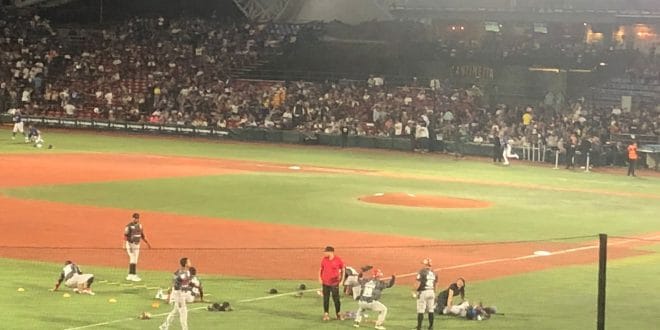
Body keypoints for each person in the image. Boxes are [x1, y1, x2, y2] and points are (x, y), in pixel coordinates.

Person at [160, 257, 192, 330]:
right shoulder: (181, 274)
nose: (190, 262)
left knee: (175, 311)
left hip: (182, 293)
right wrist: (178, 293)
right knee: (183, 313)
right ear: (186, 264)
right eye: (189, 261)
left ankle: (164, 326)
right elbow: (177, 285)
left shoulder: (186, 272)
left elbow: (178, 281)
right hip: (179, 294)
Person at [319, 246, 345, 321]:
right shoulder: (324, 259)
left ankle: (338, 313)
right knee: (325, 299)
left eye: (325, 252)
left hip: (334, 283)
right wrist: (320, 278)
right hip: (325, 283)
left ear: (330, 252)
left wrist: (342, 280)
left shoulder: (337, 260)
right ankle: (326, 314)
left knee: (336, 299)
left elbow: (343, 269)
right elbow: (321, 269)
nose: (324, 253)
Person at [124, 213, 151, 281]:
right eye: (135, 218)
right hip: (130, 244)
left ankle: (131, 275)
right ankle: (133, 275)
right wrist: (125, 245)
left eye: (137, 218)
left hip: (137, 245)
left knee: (135, 260)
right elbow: (125, 236)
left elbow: (142, 235)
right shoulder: (128, 226)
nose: (136, 219)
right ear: (132, 218)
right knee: (133, 258)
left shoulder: (140, 226)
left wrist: (147, 243)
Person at [413, 258, 437, 330]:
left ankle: (419, 327)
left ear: (425, 264)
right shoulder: (434, 272)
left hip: (423, 292)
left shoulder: (422, 272)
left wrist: (414, 291)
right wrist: (434, 292)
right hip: (431, 292)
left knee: (421, 310)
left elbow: (418, 282)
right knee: (431, 309)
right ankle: (431, 326)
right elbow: (436, 284)